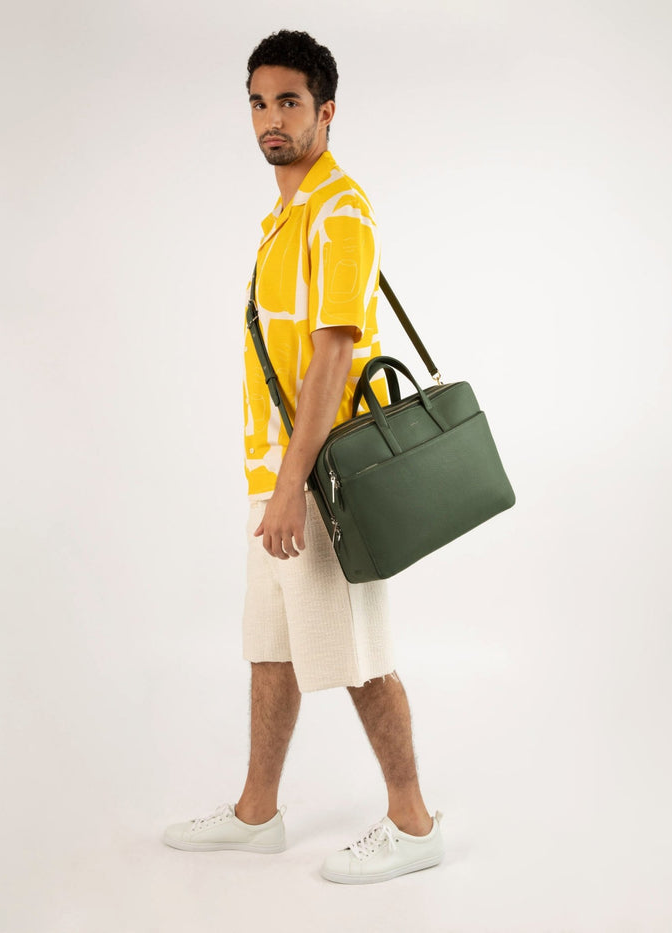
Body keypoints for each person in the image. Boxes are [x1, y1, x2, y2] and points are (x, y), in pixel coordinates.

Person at [164, 29, 444, 885]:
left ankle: (414, 822)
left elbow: (334, 355)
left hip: (319, 479)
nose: (270, 119)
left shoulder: (339, 210)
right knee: (272, 649)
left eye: (289, 101)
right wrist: (273, 485)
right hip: (276, 478)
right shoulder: (284, 219)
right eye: (258, 102)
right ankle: (258, 812)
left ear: (326, 111)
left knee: (358, 656)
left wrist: (292, 487)